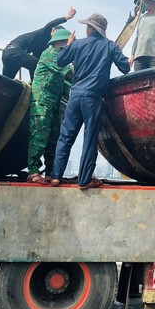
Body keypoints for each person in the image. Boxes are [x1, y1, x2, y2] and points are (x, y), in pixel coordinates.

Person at [49, 13, 130, 190]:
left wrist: (68, 45)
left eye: (87, 26)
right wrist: (123, 59)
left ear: (91, 28)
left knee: (66, 137)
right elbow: (125, 68)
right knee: (90, 139)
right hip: (93, 99)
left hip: (75, 97)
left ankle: (55, 176)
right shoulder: (110, 46)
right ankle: (84, 180)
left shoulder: (78, 44)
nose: (86, 29)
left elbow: (60, 60)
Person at [26, 28, 73, 184]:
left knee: (54, 137)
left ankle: (51, 172)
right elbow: (69, 73)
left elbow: (68, 82)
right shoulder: (51, 54)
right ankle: (33, 171)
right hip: (42, 101)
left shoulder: (59, 56)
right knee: (40, 135)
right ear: (61, 43)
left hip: (53, 102)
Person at [1, 7, 77, 79]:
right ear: (53, 30)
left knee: (6, 81)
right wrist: (67, 17)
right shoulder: (44, 33)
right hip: (15, 51)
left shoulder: (42, 47)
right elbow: (50, 24)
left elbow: (35, 66)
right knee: (41, 65)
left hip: (8, 54)